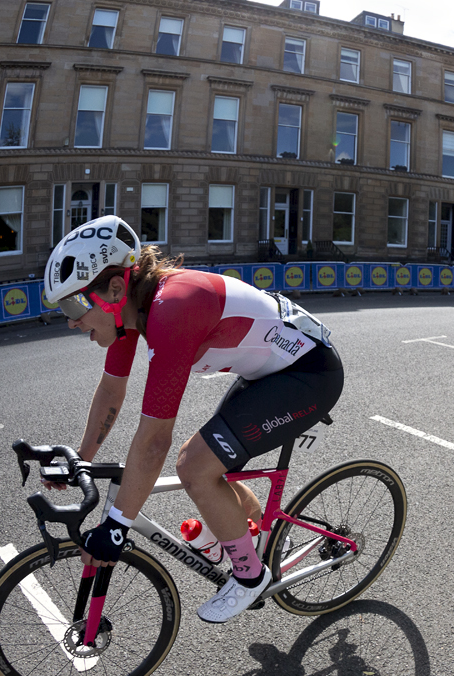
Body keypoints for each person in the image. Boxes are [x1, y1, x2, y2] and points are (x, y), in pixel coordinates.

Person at [42, 216, 343, 623]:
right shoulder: (130, 311)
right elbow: (112, 391)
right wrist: (81, 457)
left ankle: (250, 576)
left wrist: (116, 527)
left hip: (309, 375)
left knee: (194, 465)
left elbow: (154, 442)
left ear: (115, 288)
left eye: (74, 304)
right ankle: (258, 543)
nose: (71, 320)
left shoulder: (170, 311)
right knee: (215, 465)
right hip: (271, 373)